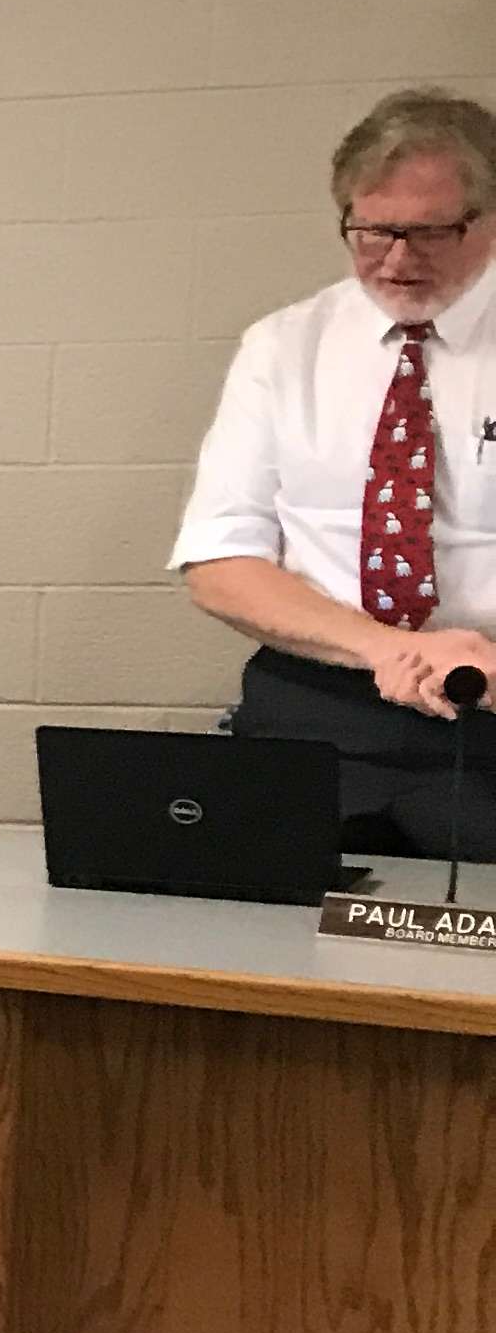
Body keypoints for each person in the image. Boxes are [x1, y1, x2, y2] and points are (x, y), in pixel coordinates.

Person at [172, 87, 496, 858]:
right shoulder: (285, 346)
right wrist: (384, 648)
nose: (397, 260)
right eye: (374, 231)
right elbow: (220, 562)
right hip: (319, 706)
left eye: (430, 233)